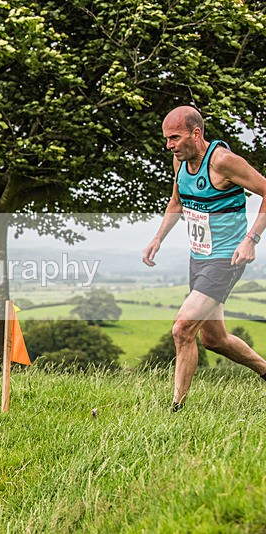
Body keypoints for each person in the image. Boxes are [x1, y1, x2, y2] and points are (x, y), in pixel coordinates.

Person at [143, 105, 266, 411]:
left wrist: (251, 239)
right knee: (215, 339)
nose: (170, 145)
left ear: (196, 133)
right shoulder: (179, 162)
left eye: (175, 137)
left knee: (182, 328)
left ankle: (176, 408)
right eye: (167, 139)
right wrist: (158, 238)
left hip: (227, 259)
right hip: (199, 257)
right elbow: (176, 202)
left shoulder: (223, 162)